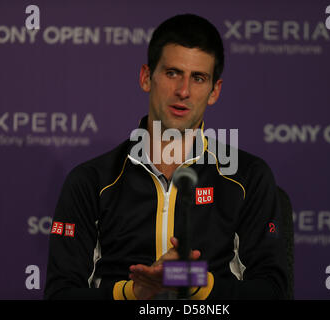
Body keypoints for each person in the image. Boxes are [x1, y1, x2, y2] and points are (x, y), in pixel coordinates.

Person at [44, 13, 289, 300]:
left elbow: (274, 292)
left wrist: (196, 284)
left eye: (198, 78)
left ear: (214, 91)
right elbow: (60, 294)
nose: (183, 91)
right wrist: (135, 293)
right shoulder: (89, 181)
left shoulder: (248, 176)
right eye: (172, 73)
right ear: (146, 77)